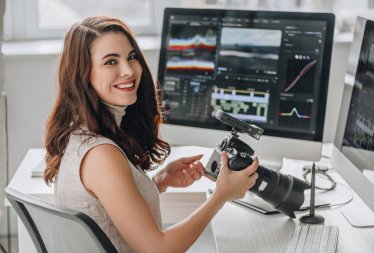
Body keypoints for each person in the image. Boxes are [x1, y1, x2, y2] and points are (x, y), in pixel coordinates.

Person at [44, 15, 259, 252]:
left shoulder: (82, 133)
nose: (128, 71)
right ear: (81, 75)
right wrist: (221, 196)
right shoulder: (101, 155)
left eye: (131, 57)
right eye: (110, 62)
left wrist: (158, 182)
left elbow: (107, 210)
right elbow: (158, 249)